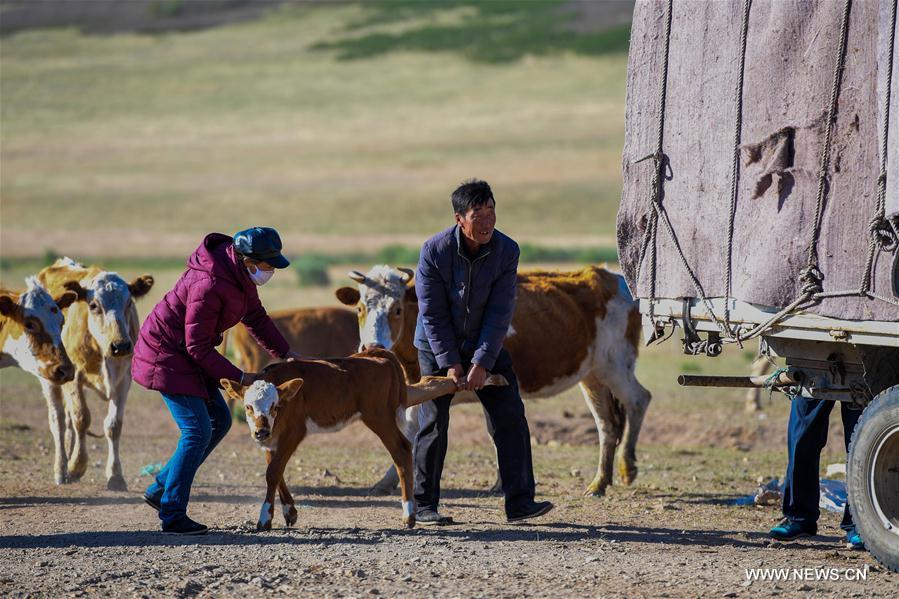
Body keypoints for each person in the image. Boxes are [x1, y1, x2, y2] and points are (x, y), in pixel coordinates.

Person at [132, 227, 301, 535]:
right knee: (196, 430)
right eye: (267, 265)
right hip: (167, 355)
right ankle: (172, 514)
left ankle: (160, 489)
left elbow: (257, 318)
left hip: (190, 355)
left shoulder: (240, 278)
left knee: (220, 421)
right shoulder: (209, 283)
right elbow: (196, 345)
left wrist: (287, 353)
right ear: (248, 261)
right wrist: (239, 376)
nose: (271, 270)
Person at [412, 178, 553, 525]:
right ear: (460, 218)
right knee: (432, 422)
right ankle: (424, 504)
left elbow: (500, 312)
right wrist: (450, 364)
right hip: (435, 346)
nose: (488, 221)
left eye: (492, 212)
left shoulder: (507, 250)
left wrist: (481, 362)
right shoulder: (434, 251)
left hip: (484, 345)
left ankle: (520, 502)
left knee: (510, 417)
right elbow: (432, 313)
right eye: (479, 214)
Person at [769, 397, 864, 550]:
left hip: (864, 374)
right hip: (814, 374)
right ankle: (798, 517)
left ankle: (860, 524)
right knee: (801, 437)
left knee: (863, 439)